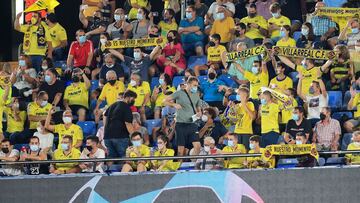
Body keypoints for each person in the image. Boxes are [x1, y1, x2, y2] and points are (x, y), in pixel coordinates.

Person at [163, 76, 202, 156]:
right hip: (181, 124)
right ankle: (179, 165)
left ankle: (195, 164)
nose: (196, 87)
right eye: (194, 85)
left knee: (197, 146)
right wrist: (174, 104)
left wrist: (199, 112)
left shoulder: (196, 94)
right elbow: (164, 101)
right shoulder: (179, 93)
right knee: (181, 150)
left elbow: (198, 105)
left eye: (197, 85)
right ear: (188, 84)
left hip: (192, 123)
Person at [103, 90, 136, 158]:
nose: (134, 101)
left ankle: (109, 169)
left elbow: (104, 115)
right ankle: (124, 169)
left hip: (107, 137)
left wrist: (106, 126)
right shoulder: (126, 107)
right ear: (127, 97)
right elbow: (128, 124)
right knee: (124, 156)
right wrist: (134, 136)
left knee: (111, 157)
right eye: (133, 99)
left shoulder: (113, 105)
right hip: (120, 137)